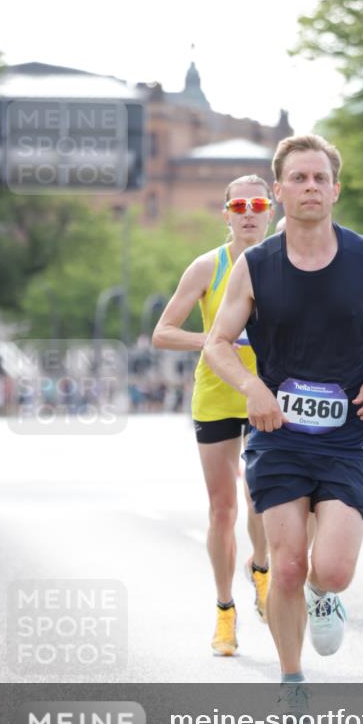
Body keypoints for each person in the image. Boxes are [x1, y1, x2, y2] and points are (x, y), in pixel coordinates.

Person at [204, 135, 363, 696]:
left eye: (320, 177)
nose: (310, 186)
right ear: (280, 190)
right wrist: (252, 388)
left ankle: (327, 595)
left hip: (351, 436)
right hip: (279, 436)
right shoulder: (256, 265)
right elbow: (218, 342)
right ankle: (293, 678)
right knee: (287, 565)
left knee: (332, 569)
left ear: (335, 189)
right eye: (298, 178)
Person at [152, 175, 275, 656]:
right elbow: (163, 332)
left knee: (263, 499)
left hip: (268, 394)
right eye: (239, 204)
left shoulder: (286, 262)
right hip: (217, 396)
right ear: (226, 214)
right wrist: (214, 340)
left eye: (258, 203)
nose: (248, 212)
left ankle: (261, 570)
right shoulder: (208, 266)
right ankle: (225, 612)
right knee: (223, 509)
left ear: (270, 211)